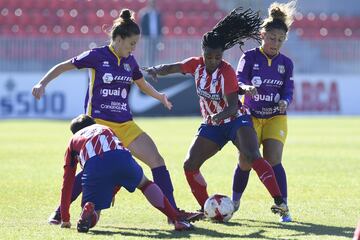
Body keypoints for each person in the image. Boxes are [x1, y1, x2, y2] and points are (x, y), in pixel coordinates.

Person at [32, 9, 200, 225]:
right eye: (131, 44)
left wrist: (160, 97)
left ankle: (173, 213)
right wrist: (42, 83)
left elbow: (141, 83)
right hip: (99, 124)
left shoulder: (130, 62)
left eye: (136, 44)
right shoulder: (97, 55)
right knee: (91, 170)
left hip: (126, 124)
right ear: (118, 39)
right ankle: (59, 212)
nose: (133, 48)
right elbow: (63, 66)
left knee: (157, 160)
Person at [143, 7, 288, 216]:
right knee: (190, 164)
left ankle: (279, 201)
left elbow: (231, 107)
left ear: (222, 55)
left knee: (251, 155)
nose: (213, 61)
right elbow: (173, 67)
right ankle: (206, 208)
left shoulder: (227, 72)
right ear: (202, 53)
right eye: (209, 57)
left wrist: (215, 117)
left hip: (236, 120)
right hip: (213, 125)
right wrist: (156, 70)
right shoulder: (195, 65)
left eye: (217, 57)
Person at [59, 114, 193, 232]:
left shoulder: (73, 141)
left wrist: (65, 218)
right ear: (94, 124)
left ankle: (90, 209)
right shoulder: (105, 128)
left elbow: (67, 181)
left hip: (94, 166)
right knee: (145, 184)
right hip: (121, 157)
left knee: (96, 213)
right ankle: (176, 219)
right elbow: (117, 148)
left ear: (74, 132)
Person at [232, 1, 296, 222]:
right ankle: (234, 202)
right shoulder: (249, 57)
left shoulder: (286, 63)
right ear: (262, 35)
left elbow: (288, 88)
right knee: (245, 161)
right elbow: (239, 79)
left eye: (279, 40)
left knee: (273, 158)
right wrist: (246, 87)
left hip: (275, 117)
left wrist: (285, 101)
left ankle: (283, 206)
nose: (275, 43)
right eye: (271, 38)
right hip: (250, 115)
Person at [138, 0, 162, 65]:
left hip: (155, 37)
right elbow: (142, 25)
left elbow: (160, 25)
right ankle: (146, 67)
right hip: (147, 37)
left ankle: (152, 67)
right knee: (146, 53)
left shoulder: (158, 14)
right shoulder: (144, 13)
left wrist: (160, 35)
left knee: (154, 53)